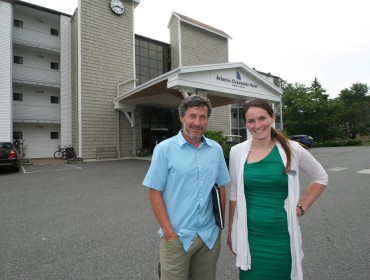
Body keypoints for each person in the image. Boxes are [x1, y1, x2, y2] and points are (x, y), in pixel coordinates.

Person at [227, 99, 328, 280]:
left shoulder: (292, 149)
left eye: (262, 118)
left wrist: (302, 206)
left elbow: (320, 177)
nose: (257, 125)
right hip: (250, 236)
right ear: (245, 123)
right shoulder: (237, 152)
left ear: (273, 118)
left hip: (282, 235)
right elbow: (234, 193)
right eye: (251, 121)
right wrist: (232, 230)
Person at [143, 95, 230, 280]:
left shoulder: (215, 149)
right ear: (182, 117)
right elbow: (154, 192)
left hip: (208, 236)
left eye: (202, 117)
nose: (197, 122)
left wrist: (219, 225)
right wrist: (168, 232)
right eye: (192, 116)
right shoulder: (165, 149)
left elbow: (221, 186)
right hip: (178, 237)